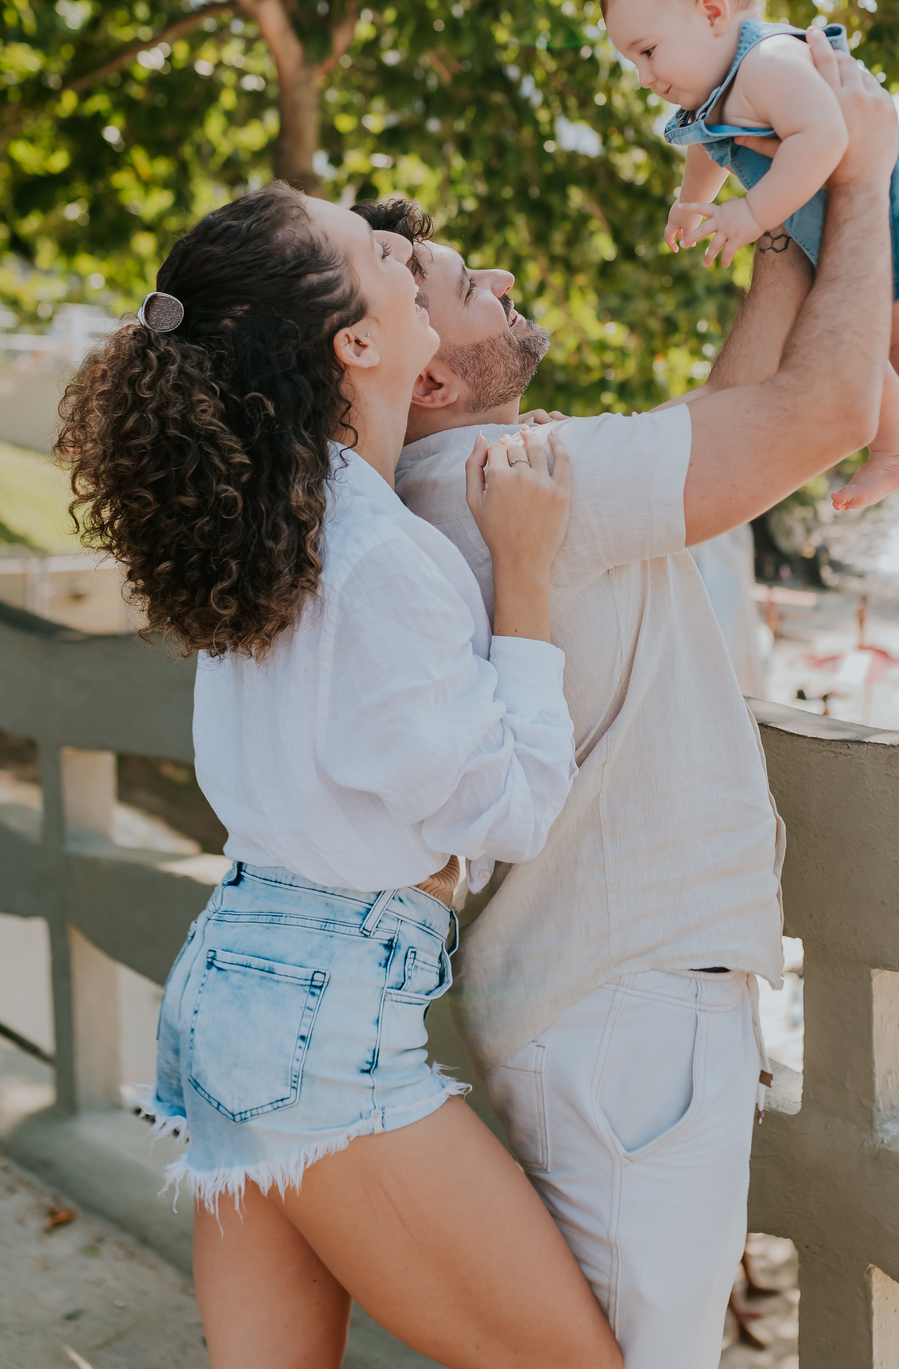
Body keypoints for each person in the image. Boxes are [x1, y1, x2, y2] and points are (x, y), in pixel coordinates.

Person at [372, 32, 896, 1369]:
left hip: (601, 1003)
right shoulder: (507, 481)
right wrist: (861, 179)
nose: (500, 278)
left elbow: (732, 422)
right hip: (627, 1016)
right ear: (427, 378)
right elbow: (827, 410)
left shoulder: (470, 492)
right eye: (463, 284)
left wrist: (775, 227)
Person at [56, 184, 621, 1369]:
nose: (412, 260)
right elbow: (511, 808)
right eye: (382, 256)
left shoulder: (271, 526)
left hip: (236, 986)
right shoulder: (375, 558)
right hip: (315, 1017)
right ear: (357, 344)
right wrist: (523, 573)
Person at [600, 0, 899, 522]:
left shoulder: (769, 61)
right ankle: (893, 451)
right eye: (633, 62)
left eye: (647, 51)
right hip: (847, 233)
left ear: (713, 12)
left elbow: (825, 135)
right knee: (858, 342)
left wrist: (752, 212)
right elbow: (707, 146)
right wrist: (690, 202)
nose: (644, 77)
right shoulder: (715, 92)